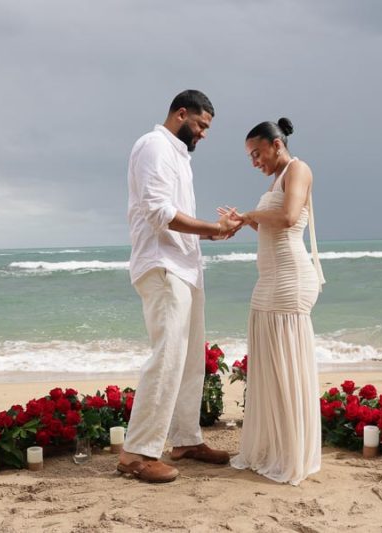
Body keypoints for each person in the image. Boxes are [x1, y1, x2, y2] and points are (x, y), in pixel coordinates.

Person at [120, 90, 240, 483]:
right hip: (162, 265)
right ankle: (136, 453)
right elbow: (159, 212)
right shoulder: (153, 145)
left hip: (186, 267)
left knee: (190, 361)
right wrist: (212, 228)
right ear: (181, 114)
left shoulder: (179, 156)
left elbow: (177, 216)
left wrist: (210, 235)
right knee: (167, 357)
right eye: (202, 126)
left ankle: (186, 440)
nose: (204, 134)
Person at [226, 117, 326, 485]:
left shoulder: (298, 169)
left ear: (275, 144)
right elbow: (269, 224)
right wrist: (244, 220)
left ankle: (293, 452)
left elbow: (287, 217)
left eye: (256, 154)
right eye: (251, 157)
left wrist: (252, 214)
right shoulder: (276, 179)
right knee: (268, 366)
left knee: (287, 365)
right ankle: (277, 445)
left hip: (290, 279)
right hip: (268, 280)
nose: (255, 162)